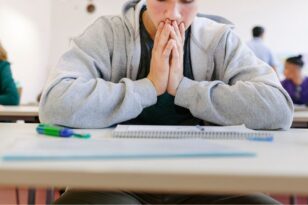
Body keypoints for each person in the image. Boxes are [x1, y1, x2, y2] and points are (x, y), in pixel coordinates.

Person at [40, 0, 293, 204]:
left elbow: (278, 109)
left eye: (186, 1)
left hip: (209, 180)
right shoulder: (108, 33)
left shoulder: (219, 39)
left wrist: (183, 88)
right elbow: (54, 103)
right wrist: (149, 86)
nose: (173, 13)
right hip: (114, 177)